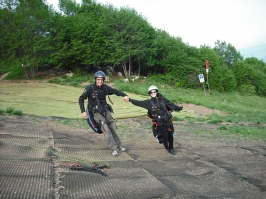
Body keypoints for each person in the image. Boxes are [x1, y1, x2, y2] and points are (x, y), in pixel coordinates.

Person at [78, 71, 129, 157]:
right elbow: (81, 99)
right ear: (95, 80)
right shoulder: (90, 88)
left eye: (101, 80)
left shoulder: (105, 88)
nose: (100, 81)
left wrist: (124, 95)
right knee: (106, 128)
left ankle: (119, 146)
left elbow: (115, 91)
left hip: (105, 110)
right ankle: (114, 149)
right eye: (98, 79)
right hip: (96, 113)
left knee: (112, 127)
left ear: (103, 80)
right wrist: (83, 111)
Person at [128, 85, 183, 155]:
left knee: (170, 135)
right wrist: (130, 100)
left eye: (154, 91)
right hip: (160, 121)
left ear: (156, 92)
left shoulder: (163, 100)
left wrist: (179, 108)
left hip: (168, 120)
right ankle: (166, 146)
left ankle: (171, 148)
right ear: (150, 93)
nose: (153, 93)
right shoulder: (148, 103)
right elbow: (138, 103)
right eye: (151, 92)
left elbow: (171, 104)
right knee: (165, 136)